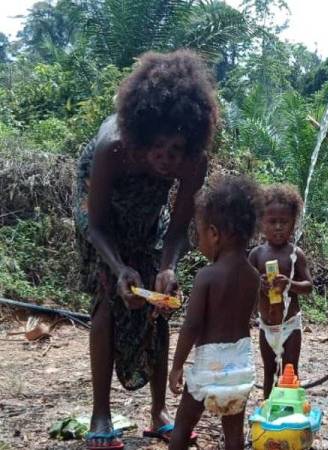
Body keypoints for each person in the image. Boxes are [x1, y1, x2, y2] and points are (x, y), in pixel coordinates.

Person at [73, 50, 218, 449]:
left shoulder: (192, 161)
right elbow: (98, 223)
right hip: (100, 214)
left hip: (146, 217)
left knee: (159, 303)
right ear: (140, 136)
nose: (166, 161)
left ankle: (158, 412)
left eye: (176, 150)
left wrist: (167, 267)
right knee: (107, 299)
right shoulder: (112, 148)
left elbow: (178, 226)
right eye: (158, 148)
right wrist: (120, 268)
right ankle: (100, 414)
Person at [168, 175, 263, 450]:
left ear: (213, 233)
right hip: (241, 364)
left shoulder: (206, 276)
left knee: (184, 424)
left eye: (198, 235)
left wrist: (176, 365)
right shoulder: (254, 277)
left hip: (209, 364)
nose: (199, 242)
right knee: (233, 432)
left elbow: (192, 325)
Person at [248, 184, 313, 399]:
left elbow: (309, 287)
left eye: (283, 222)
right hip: (266, 327)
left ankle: (289, 412)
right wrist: (259, 284)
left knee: (289, 372)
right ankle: (268, 412)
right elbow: (246, 284)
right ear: (261, 223)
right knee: (269, 373)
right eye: (272, 222)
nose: (278, 227)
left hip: (290, 325)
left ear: (293, 224)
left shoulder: (296, 254)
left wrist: (290, 284)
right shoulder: (257, 255)